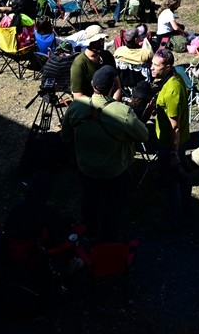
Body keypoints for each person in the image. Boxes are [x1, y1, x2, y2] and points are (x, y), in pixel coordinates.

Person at [61, 64, 148, 241]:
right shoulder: (122, 112)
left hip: (86, 168)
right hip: (114, 171)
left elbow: (66, 137)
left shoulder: (76, 106)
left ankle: (88, 234)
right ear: (114, 87)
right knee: (112, 208)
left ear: (92, 83)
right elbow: (144, 136)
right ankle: (108, 242)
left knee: (88, 203)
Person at [150, 49, 190, 225]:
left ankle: (173, 219)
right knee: (174, 179)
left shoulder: (172, 90)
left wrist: (173, 153)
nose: (151, 68)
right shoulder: (173, 78)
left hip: (170, 144)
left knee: (172, 180)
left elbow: (175, 126)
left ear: (168, 67)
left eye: (156, 65)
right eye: (152, 63)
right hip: (167, 141)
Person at [70, 35, 115, 100]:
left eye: (102, 39)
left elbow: (117, 82)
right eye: (97, 41)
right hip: (90, 103)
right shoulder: (79, 64)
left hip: (111, 100)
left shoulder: (107, 55)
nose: (101, 43)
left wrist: (114, 101)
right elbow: (77, 96)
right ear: (89, 42)